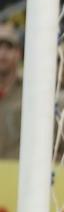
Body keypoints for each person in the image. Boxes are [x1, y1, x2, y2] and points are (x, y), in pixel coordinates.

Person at [0, 23, 22, 159]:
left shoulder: (31, 93)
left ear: (18, 53)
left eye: (8, 47)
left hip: (18, 175)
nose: (2, 53)